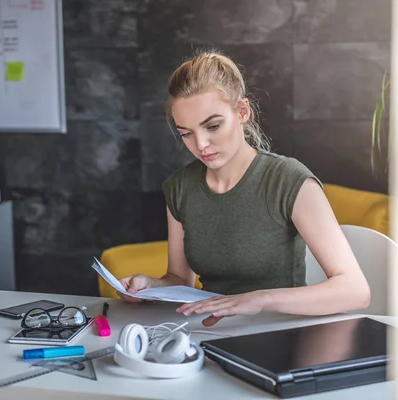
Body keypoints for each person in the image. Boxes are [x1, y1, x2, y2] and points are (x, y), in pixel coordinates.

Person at [117, 49, 370, 326]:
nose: (200, 144)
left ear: (242, 112)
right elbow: (178, 280)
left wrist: (259, 299)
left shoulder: (288, 180)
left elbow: (355, 291)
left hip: (279, 333)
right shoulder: (180, 188)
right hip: (208, 334)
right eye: (186, 133)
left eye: (212, 126)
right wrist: (148, 285)